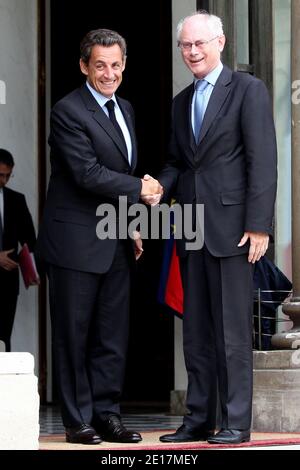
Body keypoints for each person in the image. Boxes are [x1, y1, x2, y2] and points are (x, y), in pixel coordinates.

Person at [145, 11, 277, 444]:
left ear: (220, 43)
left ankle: (236, 422)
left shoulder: (247, 90)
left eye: (200, 43)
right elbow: (176, 162)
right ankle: (199, 418)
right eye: (185, 45)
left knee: (233, 334)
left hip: (236, 233)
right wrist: (159, 186)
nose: (192, 52)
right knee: (197, 332)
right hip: (191, 231)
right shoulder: (181, 102)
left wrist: (259, 225)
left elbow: (263, 161)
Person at [36, 28, 162, 445]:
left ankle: (107, 414)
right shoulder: (67, 111)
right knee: (74, 335)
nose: (109, 73)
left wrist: (132, 223)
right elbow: (87, 173)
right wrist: (140, 190)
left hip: (115, 238)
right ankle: (76, 421)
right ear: (84, 66)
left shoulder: (124, 108)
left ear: (124, 66)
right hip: (74, 243)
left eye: (116, 65)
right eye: (100, 65)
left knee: (112, 336)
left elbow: (119, 173)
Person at [0, 149, 36, 352]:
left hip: (7, 281)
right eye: (0, 175)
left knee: (4, 338)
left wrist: (33, 269)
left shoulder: (16, 200)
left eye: (8, 175)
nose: (4, 180)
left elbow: (30, 240)